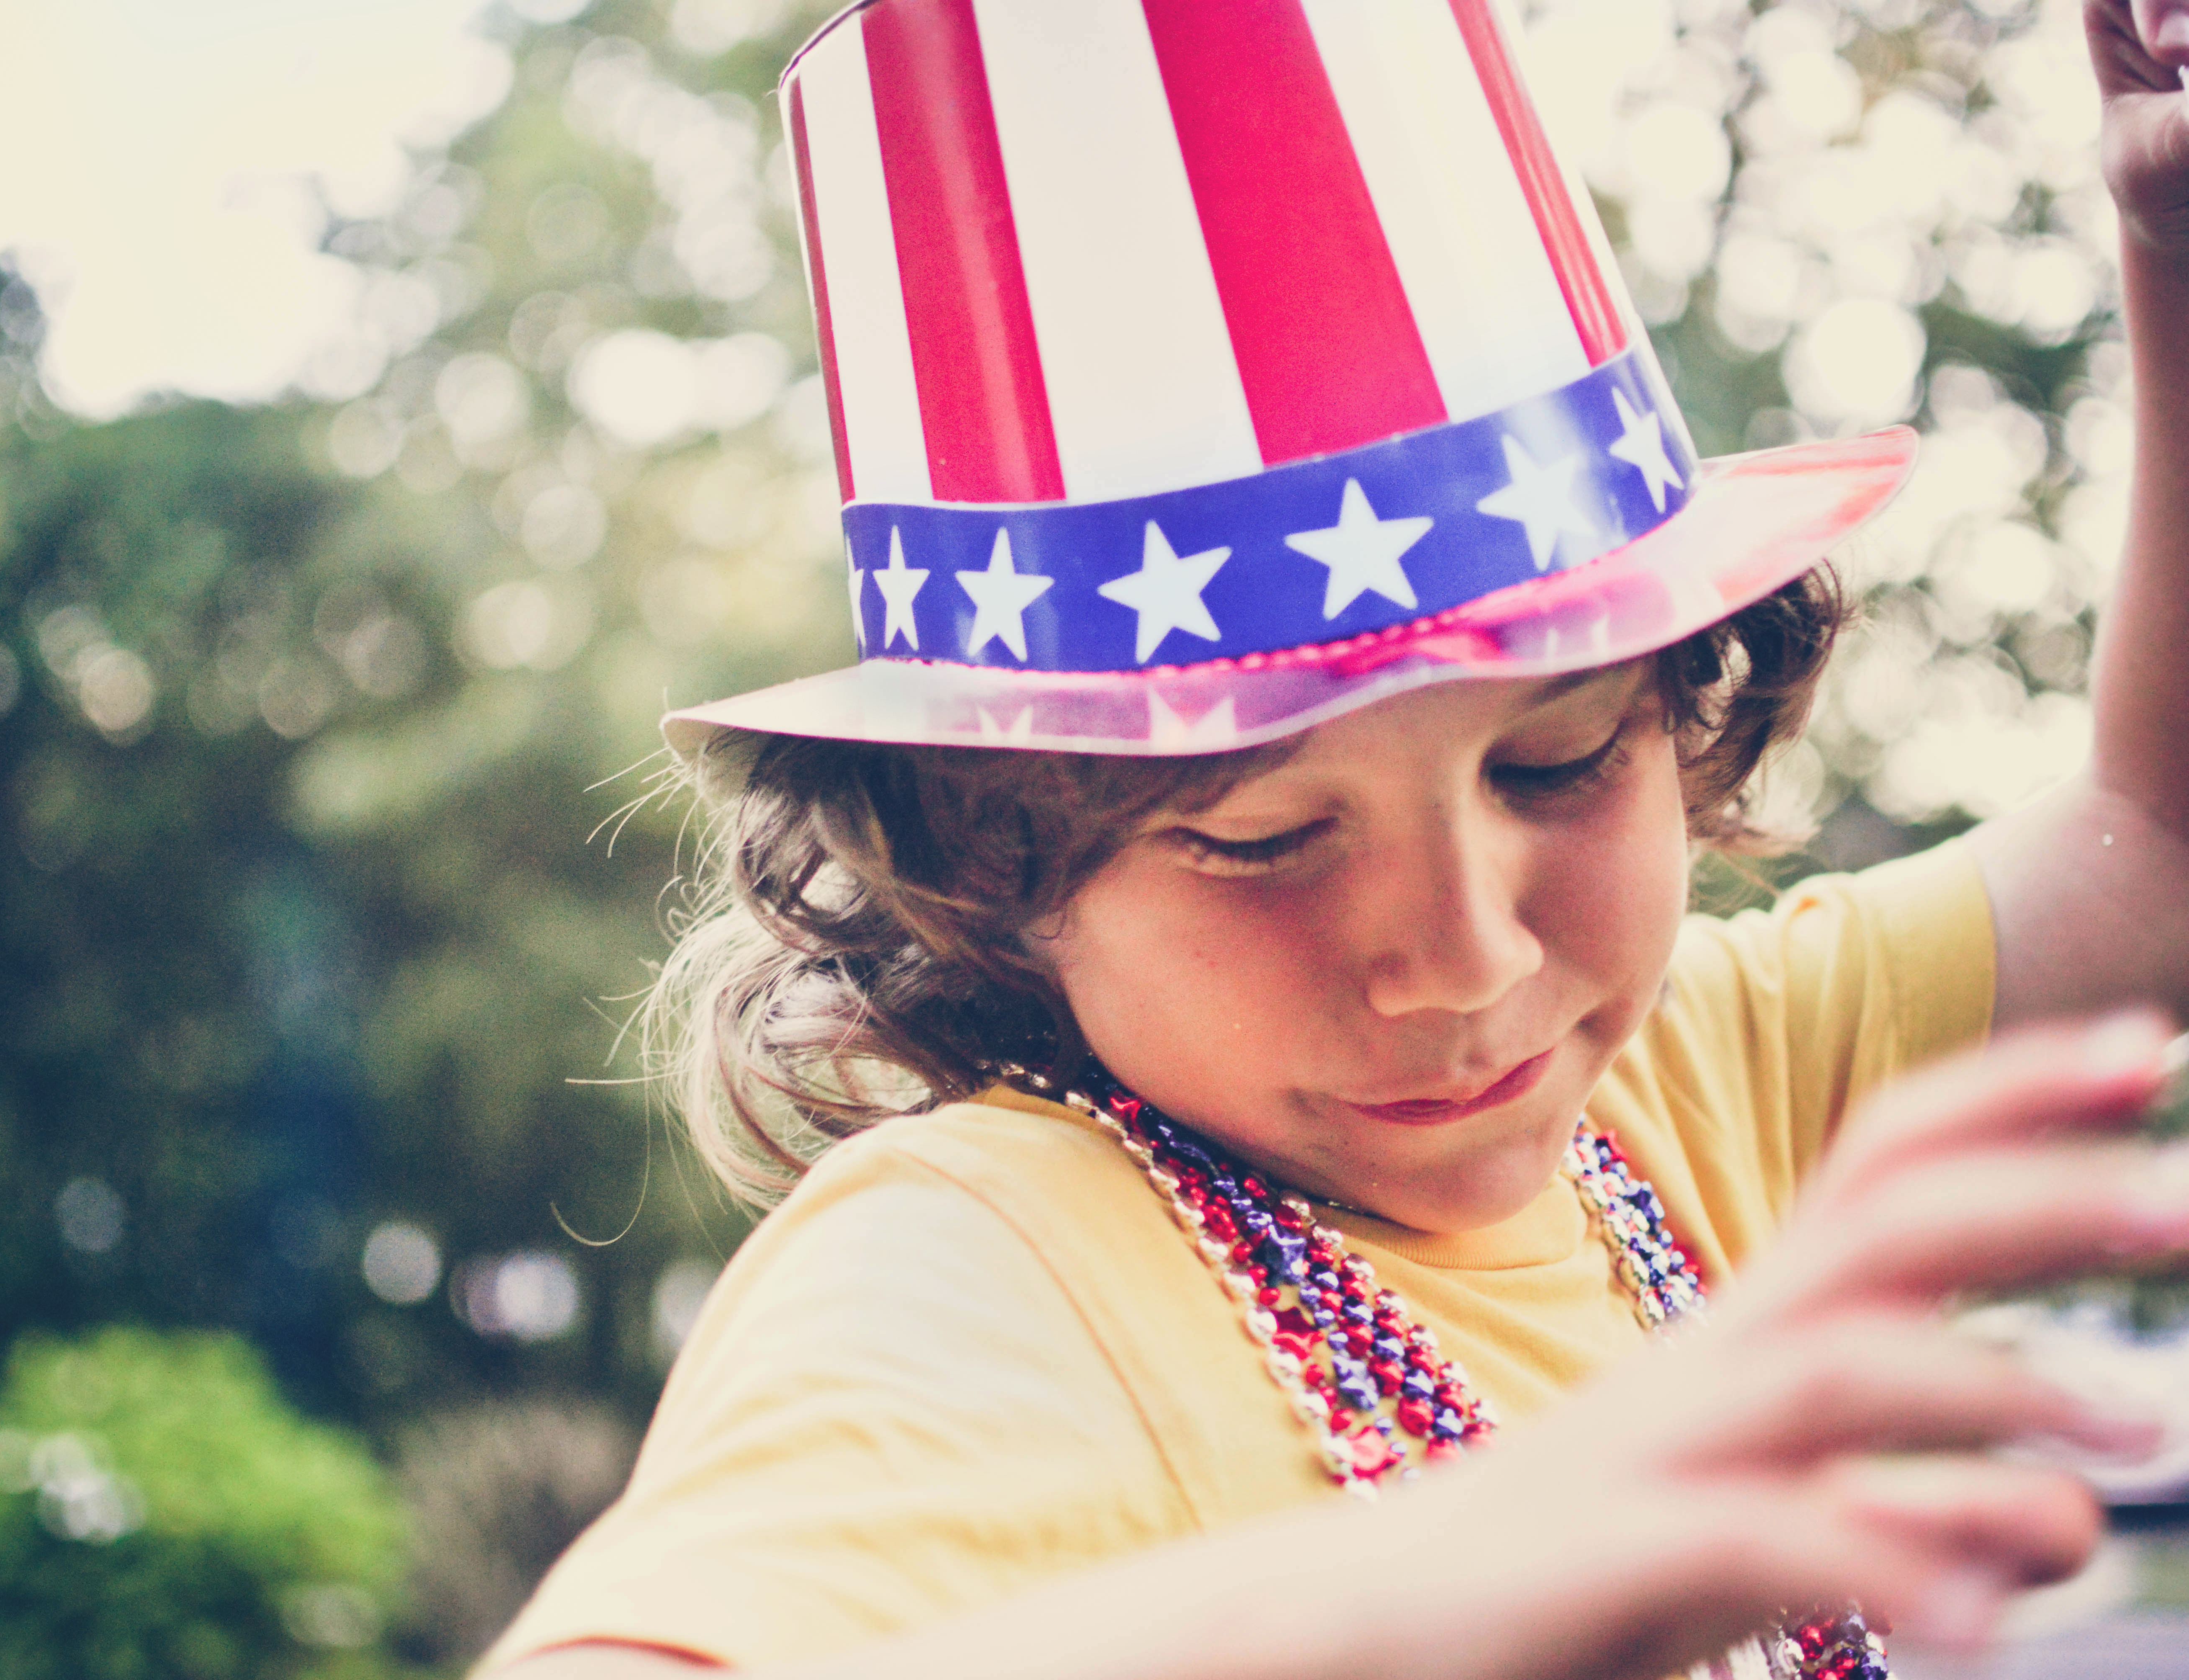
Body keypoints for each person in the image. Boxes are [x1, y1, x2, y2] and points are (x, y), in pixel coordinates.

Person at [481, 1, 2189, 1675]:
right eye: (1263, 836)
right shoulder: (980, 1260)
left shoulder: (1681, 1087)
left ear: (1688, 718)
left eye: (1562, 762)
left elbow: (2160, 839)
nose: (1466, 957)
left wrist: (2173, 253)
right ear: (992, 862)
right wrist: (1413, 1593)